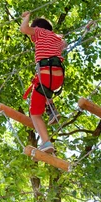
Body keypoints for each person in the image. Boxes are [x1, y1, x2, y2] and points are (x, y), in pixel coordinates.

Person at [20, 11, 67, 153]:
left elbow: (24, 29)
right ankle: (51, 109)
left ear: (38, 28)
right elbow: (64, 45)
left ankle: (46, 143)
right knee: (44, 90)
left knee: (34, 113)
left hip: (46, 75)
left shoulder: (40, 32)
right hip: (57, 78)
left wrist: (26, 18)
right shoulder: (56, 38)